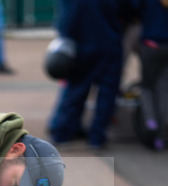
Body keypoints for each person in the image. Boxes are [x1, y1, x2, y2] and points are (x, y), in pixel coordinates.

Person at [47, 0, 131, 148]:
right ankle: (97, 137)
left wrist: (66, 42)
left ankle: (63, 133)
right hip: (109, 43)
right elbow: (128, 11)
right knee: (107, 93)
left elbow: (65, 20)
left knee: (75, 90)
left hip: (81, 46)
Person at [134, 0, 168, 150]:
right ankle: (163, 134)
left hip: (151, 43)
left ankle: (151, 122)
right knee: (164, 89)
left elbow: (134, 9)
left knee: (147, 87)